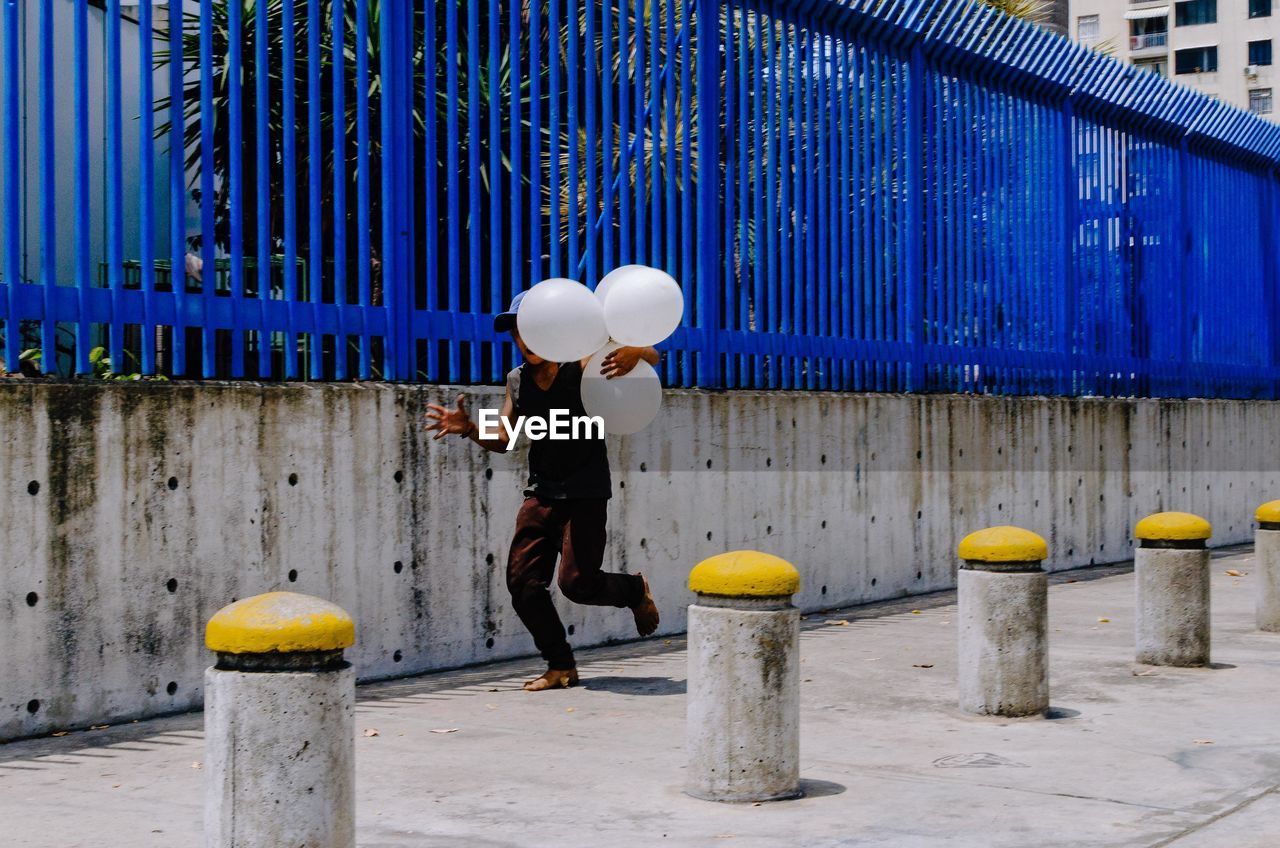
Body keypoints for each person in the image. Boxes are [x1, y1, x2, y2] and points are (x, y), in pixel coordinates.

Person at [424, 291, 661, 691]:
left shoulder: (582, 364)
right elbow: (505, 437)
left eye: (531, 330)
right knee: (523, 584)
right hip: (541, 494)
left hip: (586, 493)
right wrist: (468, 429)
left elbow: (653, 354)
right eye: (517, 333)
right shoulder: (517, 381)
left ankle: (634, 589)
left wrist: (634, 351)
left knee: (577, 583)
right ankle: (560, 666)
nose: (524, 340)